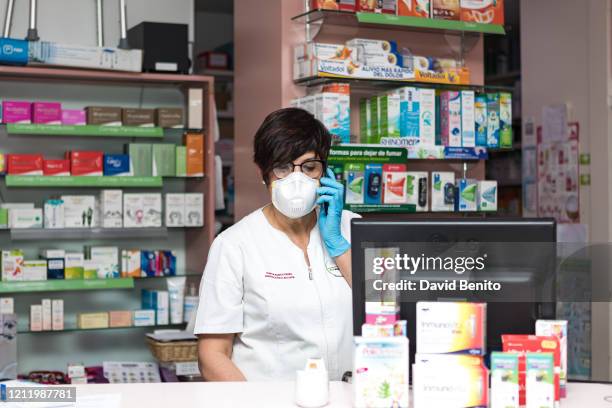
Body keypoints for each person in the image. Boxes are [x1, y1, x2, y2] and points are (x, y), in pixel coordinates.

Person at [194, 107, 359, 381]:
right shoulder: (234, 245)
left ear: (325, 172)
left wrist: (339, 245)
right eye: (282, 167)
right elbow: (212, 355)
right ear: (264, 173)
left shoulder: (353, 228)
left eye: (309, 167)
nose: (297, 180)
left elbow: (388, 305)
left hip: (351, 396)